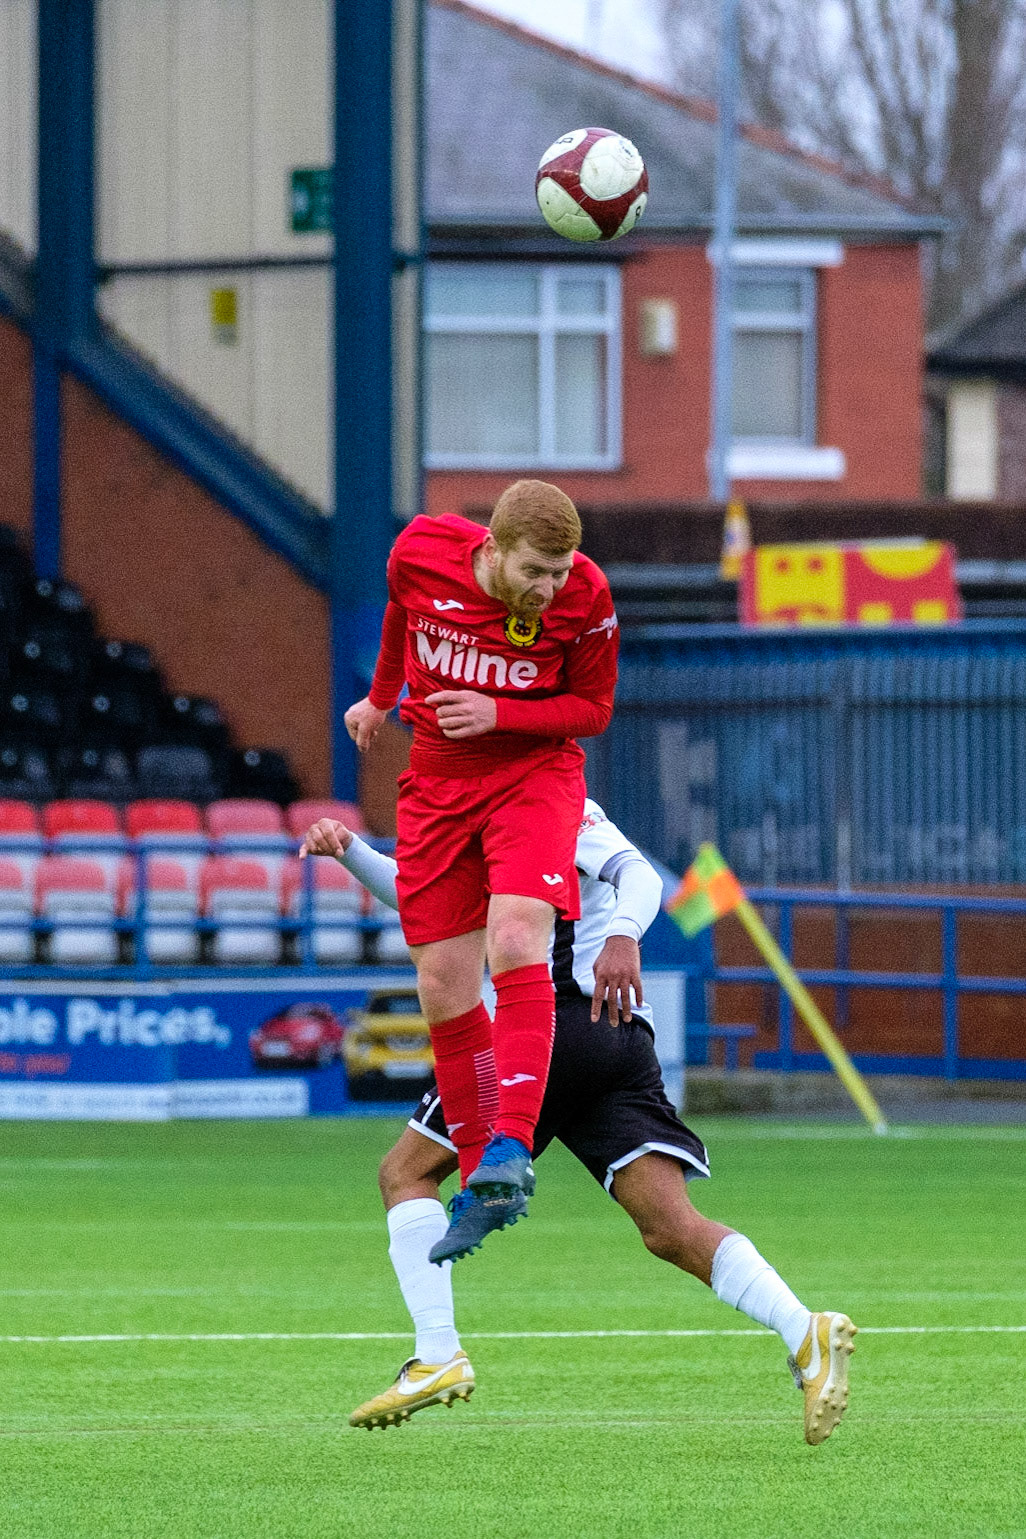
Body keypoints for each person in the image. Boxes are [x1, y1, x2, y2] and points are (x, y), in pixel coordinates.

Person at [299, 808, 858, 1446]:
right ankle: (803, 1331)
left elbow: (639, 876)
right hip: (616, 1039)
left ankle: (437, 1353)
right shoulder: (502, 803)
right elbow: (429, 902)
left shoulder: (547, 801)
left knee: (406, 1173)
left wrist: (622, 935)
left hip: (545, 1029)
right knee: (670, 1227)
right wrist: (351, 852)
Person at [343, 481, 619, 1262]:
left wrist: (503, 713)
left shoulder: (587, 597)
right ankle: (479, 1178)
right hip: (436, 778)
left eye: (560, 571)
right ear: (491, 549)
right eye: (537, 570)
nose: (551, 586)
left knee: (516, 935)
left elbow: (593, 709)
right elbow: (403, 607)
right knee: (441, 982)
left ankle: (510, 1147)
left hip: (533, 774)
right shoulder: (422, 549)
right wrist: (380, 696)